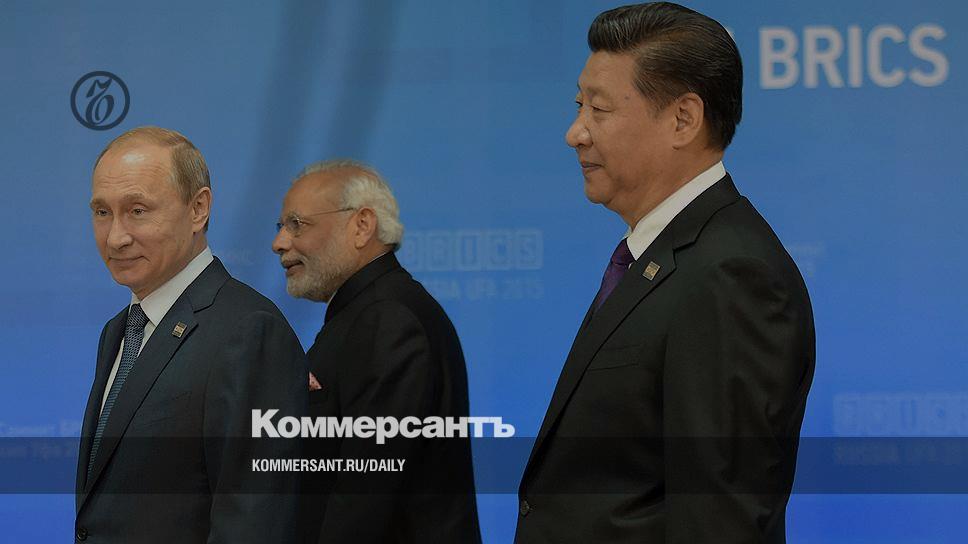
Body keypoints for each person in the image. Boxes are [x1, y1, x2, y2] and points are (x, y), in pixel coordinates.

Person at [515, 3, 816, 543]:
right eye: (579, 105)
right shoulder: (658, 257)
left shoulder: (732, 274)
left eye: (599, 109)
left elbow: (720, 522)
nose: (575, 133)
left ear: (683, 119)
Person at [76, 126, 307, 543]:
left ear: (198, 209)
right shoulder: (118, 331)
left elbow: (253, 523)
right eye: (102, 212)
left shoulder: (249, 331)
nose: (116, 237)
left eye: (138, 210)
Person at [272, 159, 481, 543]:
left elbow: (364, 494)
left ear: (362, 225)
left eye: (296, 224)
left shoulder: (387, 320)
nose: (280, 243)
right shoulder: (369, 313)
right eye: (281, 226)